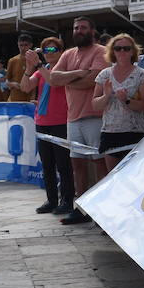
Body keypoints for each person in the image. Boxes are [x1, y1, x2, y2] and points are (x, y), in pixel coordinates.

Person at [49, 16, 111, 225]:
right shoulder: (68, 53)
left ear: (92, 30)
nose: (79, 30)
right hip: (73, 118)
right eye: (76, 27)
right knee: (78, 165)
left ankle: (102, 210)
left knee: (100, 164)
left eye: (83, 27)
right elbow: (53, 79)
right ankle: (81, 208)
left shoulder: (100, 52)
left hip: (94, 117)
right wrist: (78, 74)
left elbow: (93, 80)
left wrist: (69, 78)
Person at [19, 36, 74, 215]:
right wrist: (29, 67)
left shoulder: (62, 69)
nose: (49, 54)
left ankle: (67, 199)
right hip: (42, 121)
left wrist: (39, 65)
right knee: (47, 164)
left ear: (61, 51)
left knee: (63, 165)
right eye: (46, 50)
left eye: (53, 50)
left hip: (61, 121)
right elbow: (25, 87)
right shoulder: (43, 70)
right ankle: (51, 199)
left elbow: (53, 80)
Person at [91, 34, 144, 172]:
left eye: (126, 48)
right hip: (110, 132)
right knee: (112, 177)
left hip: (134, 132)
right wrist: (106, 95)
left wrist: (126, 100)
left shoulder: (142, 75)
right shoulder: (104, 75)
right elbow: (95, 105)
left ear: (133, 51)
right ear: (113, 51)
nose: (122, 52)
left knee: (133, 176)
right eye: (118, 48)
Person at [6, 34, 34, 103]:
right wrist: (13, 84)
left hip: (30, 100)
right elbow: (7, 81)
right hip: (14, 100)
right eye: (21, 45)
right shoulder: (12, 60)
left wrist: (33, 98)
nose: (23, 48)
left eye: (25, 45)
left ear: (31, 45)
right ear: (18, 45)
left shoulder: (35, 61)